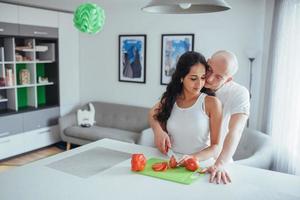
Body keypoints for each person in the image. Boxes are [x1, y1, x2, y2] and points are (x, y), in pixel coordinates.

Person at [149, 50, 250, 184]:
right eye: (209, 71)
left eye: (219, 77)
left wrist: (219, 164)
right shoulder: (196, 83)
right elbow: (154, 112)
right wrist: (158, 131)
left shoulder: (238, 93)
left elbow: (235, 131)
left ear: (228, 79)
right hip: (180, 160)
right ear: (207, 63)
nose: (208, 79)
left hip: (216, 160)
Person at [151, 51, 223, 164]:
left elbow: (216, 147)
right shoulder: (171, 99)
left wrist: (194, 158)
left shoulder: (212, 103)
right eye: (193, 78)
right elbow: (152, 113)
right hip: (171, 162)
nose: (199, 84)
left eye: (203, 77)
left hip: (198, 165)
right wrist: (158, 131)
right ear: (181, 78)